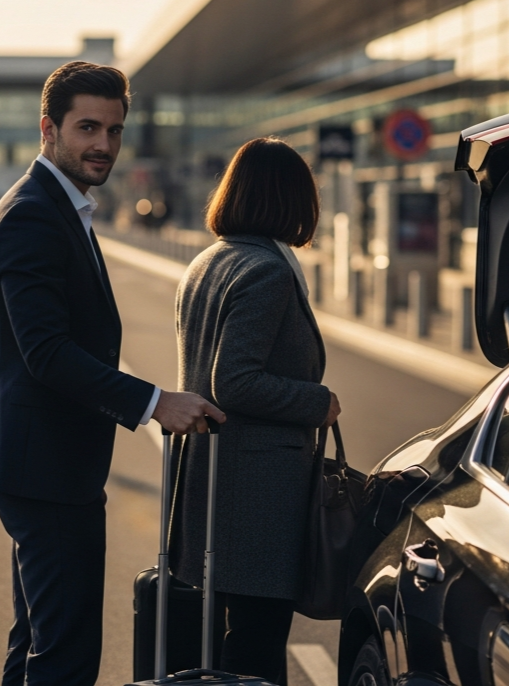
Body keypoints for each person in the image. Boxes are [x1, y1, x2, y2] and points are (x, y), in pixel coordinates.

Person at [0, 61, 226, 686]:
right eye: (88, 128)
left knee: (39, 637)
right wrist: (154, 401)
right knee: (67, 651)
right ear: (48, 129)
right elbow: (46, 352)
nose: (103, 145)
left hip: (47, 462)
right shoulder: (32, 214)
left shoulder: (61, 207)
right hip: (42, 467)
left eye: (113, 130)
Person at [169, 137, 341, 685]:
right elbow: (235, 382)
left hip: (212, 484)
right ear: (292, 201)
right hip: (256, 495)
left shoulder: (208, 262)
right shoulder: (265, 270)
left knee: (228, 645)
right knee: (257, 649)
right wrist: (318, 402)